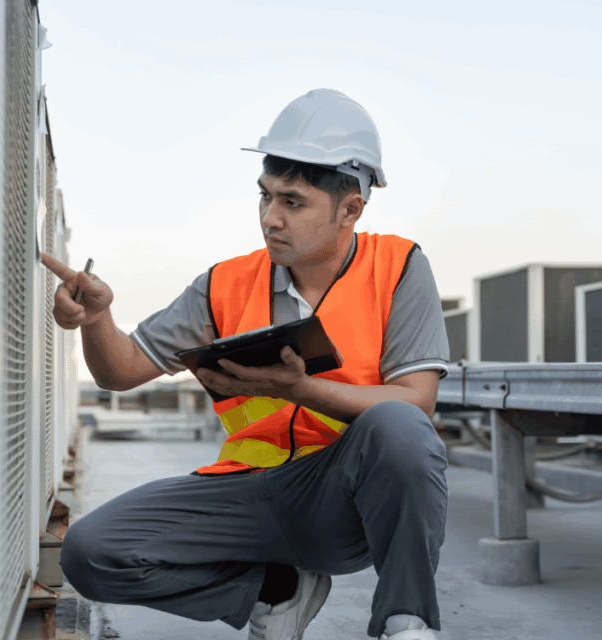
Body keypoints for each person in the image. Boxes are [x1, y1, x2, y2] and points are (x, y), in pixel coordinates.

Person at [43, 88, 450, 640]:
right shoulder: (224, 284)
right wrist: (96, 318)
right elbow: (122, 370)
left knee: (401, 425)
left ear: (350, 208)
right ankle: (277, 591)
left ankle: (408, 622)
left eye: (293, 202)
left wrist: (298, 390)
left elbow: (417, 400)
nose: (270, 218)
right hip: (248, 492)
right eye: (265, 197)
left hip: (343, 500)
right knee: (90, 554)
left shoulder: (400, 267)